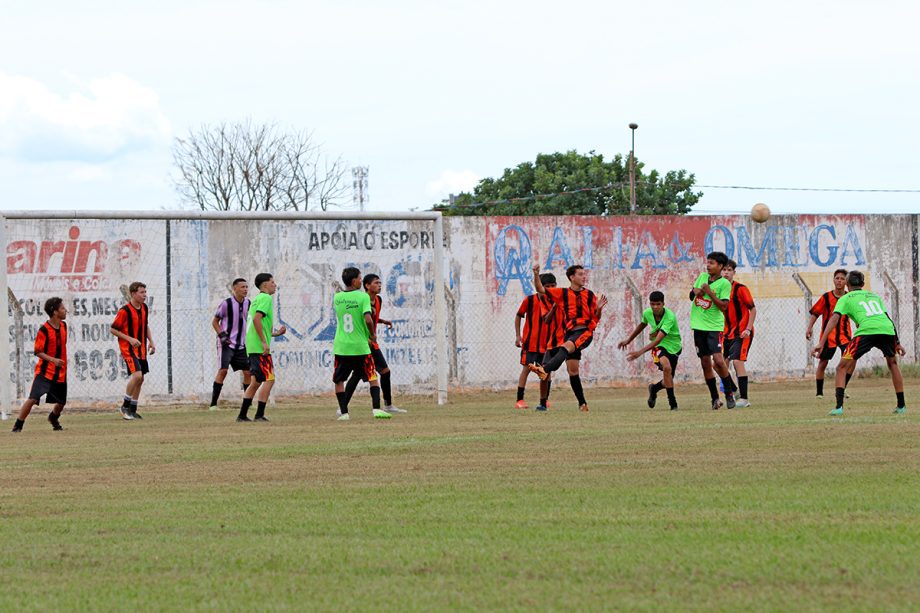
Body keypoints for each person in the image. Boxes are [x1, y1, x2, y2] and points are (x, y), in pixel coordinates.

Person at [813, 270, 907, 415]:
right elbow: (887, 318)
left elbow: (834, 319)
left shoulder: (845, 298)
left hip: (866, 332)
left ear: (847, 284)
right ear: (862, 284)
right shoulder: (874, 296)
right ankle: (901, 406)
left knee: (841, 368)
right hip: (887, 330)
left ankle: (839, 408)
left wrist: (821, 342)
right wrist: (897, 343)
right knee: (893, 364)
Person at [528, 264, 608, 412]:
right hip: (569, 334)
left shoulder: (590, 295)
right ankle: (582, 404)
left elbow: (596, 317)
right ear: (572, 277)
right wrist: (536, 273)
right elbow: (540, 290)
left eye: (584, 274)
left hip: (584, 332)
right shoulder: (562, 294)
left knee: (565, 348)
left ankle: (544, 369)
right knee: (573, 370)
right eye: (580, 274)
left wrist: (599, 309)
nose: (584, 276)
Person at [342, 273, 407, 414]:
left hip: (371, 343)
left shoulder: (378, 300)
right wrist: (371, 336)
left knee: (379, 372)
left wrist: (382, 321)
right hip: (363, 343)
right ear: (367, 285)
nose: (379, 285)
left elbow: (370, 317)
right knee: (366, 373)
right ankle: (343, 407)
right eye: (376, 283)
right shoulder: (360, 299)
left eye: (380, 283)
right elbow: (360, 320)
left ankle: (387, 405)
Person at [333, 267, 390, 421]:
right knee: (372, 376)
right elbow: (367, 319)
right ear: (354, 281)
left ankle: (344, 413)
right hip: (360, 345)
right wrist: (372, 335)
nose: (361, 280)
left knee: (339, 380)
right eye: (360, 278)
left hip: (342, 345)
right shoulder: (362, 297)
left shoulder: (337, 298)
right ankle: (377, 409)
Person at [11, 297, 68, 432]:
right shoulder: (44, 330)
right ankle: (18, 425)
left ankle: (53, 418)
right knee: (32, 399)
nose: (66, 310)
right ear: (55, 312)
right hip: (44, 372)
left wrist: (60, 361)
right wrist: (53, 360)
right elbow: (38, 351)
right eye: (62, 308)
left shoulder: (64, 326)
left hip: (60, 372)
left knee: (61, 403)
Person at [618, 291, 682, 410]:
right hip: (659, 347)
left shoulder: (670, 317)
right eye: (652, 304)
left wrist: (639, 352)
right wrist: (628, 340)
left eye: (658, 304)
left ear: (663, 304)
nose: (655, 307)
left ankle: (654, 388)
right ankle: (673, 404)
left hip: (674, 347)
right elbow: (642, 325)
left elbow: (657, 339)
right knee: (667, 368)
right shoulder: (648, 313)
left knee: (668, 380)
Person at [689, 252, 736, 410]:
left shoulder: (724, 284)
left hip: (714, 327)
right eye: (708, 262)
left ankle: (729, 394)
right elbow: (692, 295)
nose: (708, 265)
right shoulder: (702, 277)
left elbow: (723, 306)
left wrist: (709, 292)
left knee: (718, 360)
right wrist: (695, 292)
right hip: (698, 326)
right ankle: (715, 398)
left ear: (721, 266)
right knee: (705, 363)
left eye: (712, 263)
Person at [236, 273, 286, 422]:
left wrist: (276, 333)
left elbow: (260, 324)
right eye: (272, 282)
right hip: (258, 347)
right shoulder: (266, 298)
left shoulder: (257, 299)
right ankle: (257, 415)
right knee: (268, 379)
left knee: (256, 381)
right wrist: (264, 343)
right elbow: (257, 319)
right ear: (265, 285)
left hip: (252, 345)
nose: (275, 284)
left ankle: (243, 415)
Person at [806, 269, 855, 398]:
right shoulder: (826, 297)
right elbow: (815, 313)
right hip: (828, 337)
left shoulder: (849, 297)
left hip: (845, 336)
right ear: (833, 280)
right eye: (837, 278)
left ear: (846, 281)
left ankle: (841, 389)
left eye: (842, 278)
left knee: (851, 360)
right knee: (823, 363)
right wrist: (809, 327)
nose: (839, 281)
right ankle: (819, 392)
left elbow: (855, 313)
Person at [111, 281, 155, 420]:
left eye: (145, 292)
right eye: (142, 292)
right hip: (128, 349)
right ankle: (125, 406)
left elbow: (145, 325)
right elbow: (113, 329)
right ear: (133, 294)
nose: (145, 295)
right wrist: (129, 339)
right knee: (137, 376)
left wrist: (151, 341)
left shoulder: (144, 308)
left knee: (140, 379)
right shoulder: (124, 311)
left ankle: (133, 409)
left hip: (141, 349)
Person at [513, 273, 556, 410]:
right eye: (547, 286)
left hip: (548, 344)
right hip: (530, 343)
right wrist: (518, 336)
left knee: (546, 372)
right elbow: (519, 316)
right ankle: (520, 399)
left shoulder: (556, 301)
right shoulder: (530, 300)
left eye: (552, 286)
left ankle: (545, 400)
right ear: (540, 287)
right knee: (526, 369)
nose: (550, 289)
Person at [209, 278, 252, 410]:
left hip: (242, 344)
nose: (245, 289)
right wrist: (222, 335)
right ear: (235, 289)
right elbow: (215, 321)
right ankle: (213, 404)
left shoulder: (248, 303)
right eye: (242, 287)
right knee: (223, 371)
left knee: (247, 372)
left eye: (246, 287)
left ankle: (247, 402)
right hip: (226, 344)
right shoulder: (226, 304)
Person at [721, 259, 756, 407]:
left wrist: (748, 328)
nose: (726, 273)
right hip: (726, 333)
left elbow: (752, 309)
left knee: (737, 361)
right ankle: (734, 391)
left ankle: (744, 399)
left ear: (734, 273)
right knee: (720, 365)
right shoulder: (717, 289)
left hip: (742, 332)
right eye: (724, 270)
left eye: (729, 270)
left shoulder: (740, 289)